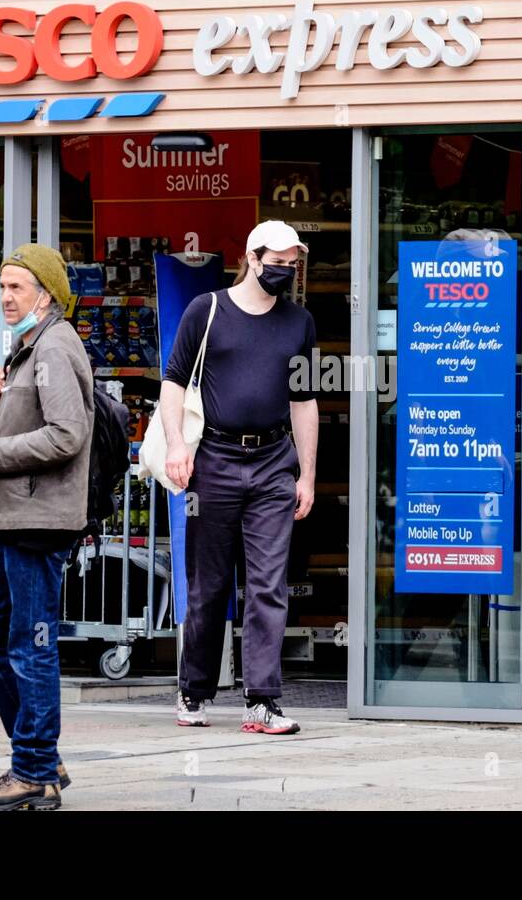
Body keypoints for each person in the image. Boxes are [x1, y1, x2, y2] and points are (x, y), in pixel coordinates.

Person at [161, 220, 319, 735]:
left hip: (274, 460)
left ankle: (262, 700)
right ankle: (195, 688)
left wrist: (308, 474)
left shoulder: (300, 322)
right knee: (207, 585)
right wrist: (179, 446)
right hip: (215, 461)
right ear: (252, 258)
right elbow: (172, 384)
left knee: (269, 584)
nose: (285, 272)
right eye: (277, 263)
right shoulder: (206, 311)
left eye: (291, 265)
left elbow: (305, 401)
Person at [0, 243, 93, 809]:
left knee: (29, 645)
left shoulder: (55, 346)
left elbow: (67, 435)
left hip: (39, 520)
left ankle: (34, 771)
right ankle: (38, 754)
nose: (6, 296)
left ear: (47, 291)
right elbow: (40, 419)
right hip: (16, 517)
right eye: (2, 286)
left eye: (17, 286)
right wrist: (3, 394)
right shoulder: (30, 348)